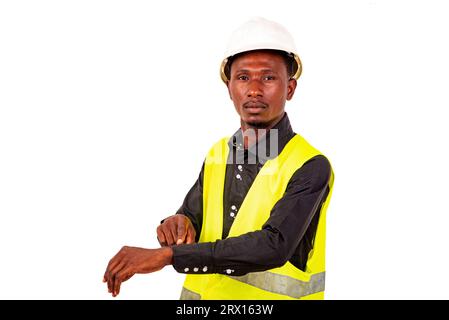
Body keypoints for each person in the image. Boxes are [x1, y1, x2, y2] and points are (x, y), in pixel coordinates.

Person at [103, 17, 334, 300]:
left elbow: (272, 246)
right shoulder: (218, 154)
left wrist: (168, 255)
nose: (254, 89)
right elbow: (193, 217)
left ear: (290, 88)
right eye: (243, 77)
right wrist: (178, 222)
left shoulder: (309, 165)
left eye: (269, 77)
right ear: (229, 88)